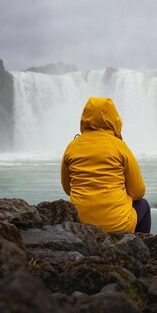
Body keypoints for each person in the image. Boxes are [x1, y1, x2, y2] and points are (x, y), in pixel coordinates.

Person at [60, 97, 151, 233]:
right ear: (114, 118)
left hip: (80, 224)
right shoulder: (119, 146)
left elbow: (68, 189)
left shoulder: (72, 147)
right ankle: (138, 247)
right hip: (117, 226)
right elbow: (138, 191)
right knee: (143, 204)